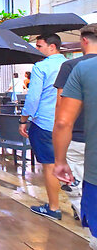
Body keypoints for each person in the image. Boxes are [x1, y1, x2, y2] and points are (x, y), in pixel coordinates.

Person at [18, 34, 67, 220]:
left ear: (52, 47)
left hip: (45, 122)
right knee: (71, 164)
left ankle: (54, 207)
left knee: (49, 165)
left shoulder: (41, 67)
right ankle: (79, 208)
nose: (37, 50)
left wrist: (23, 120)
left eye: (39, 46)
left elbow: (33, 98)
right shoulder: (71, 65)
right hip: (70, 123)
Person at [53, 24, 97, 220]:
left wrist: (59, 159)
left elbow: (62, 115)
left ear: (84, 40)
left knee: (76, 188)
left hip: (78, 138)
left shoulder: (73, 66)